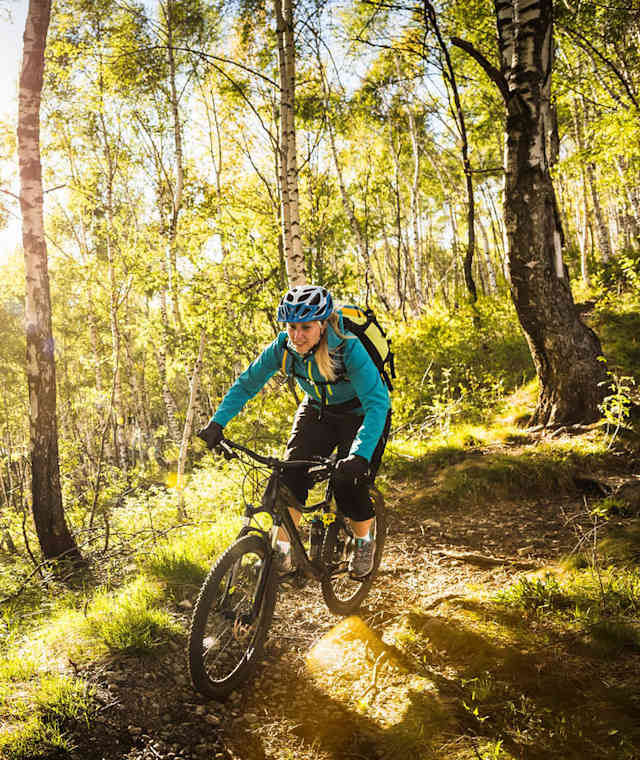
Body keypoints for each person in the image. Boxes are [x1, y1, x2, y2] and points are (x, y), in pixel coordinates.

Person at [198, 284, 391, 578]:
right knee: (289, 475)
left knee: (347, 482)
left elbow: (377, 404)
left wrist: (360, 454)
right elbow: (247, 384)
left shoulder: (347, 347)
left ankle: (364, 542)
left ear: (323, 325)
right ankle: (282, 553)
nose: (297, 335)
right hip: (318, 410)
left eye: (306, 327)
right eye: (291, 327)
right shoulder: (283, 348)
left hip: (361, 413)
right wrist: (217, 423)